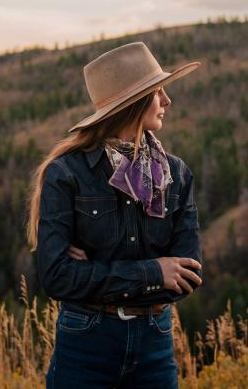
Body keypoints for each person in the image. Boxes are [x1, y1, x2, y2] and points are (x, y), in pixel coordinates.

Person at [26, 41, 203, 388]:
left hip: (154, 344)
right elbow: (56, 277)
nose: (167, 101)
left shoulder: (177, 175)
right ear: (134, 103)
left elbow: (188, 275)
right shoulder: (67, 174)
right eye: (158, 92)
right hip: (86, 344)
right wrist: (154, 271)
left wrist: (91, 276)